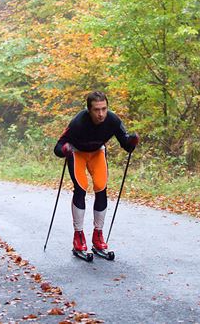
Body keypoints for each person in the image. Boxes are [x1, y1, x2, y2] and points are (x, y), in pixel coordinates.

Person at [54, 91, 139, 253]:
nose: (101, 114)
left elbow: (126, 144)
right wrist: (64, 149)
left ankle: (98, 235)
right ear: (89, 110)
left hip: (97, 152)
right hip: (77, 152)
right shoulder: (78, 122)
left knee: (101, 187)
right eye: (96, 110)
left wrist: (132, 141)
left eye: (104, 109)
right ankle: (78, 235)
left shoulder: (113, 120)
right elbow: (58, 147)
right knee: (81, 188)